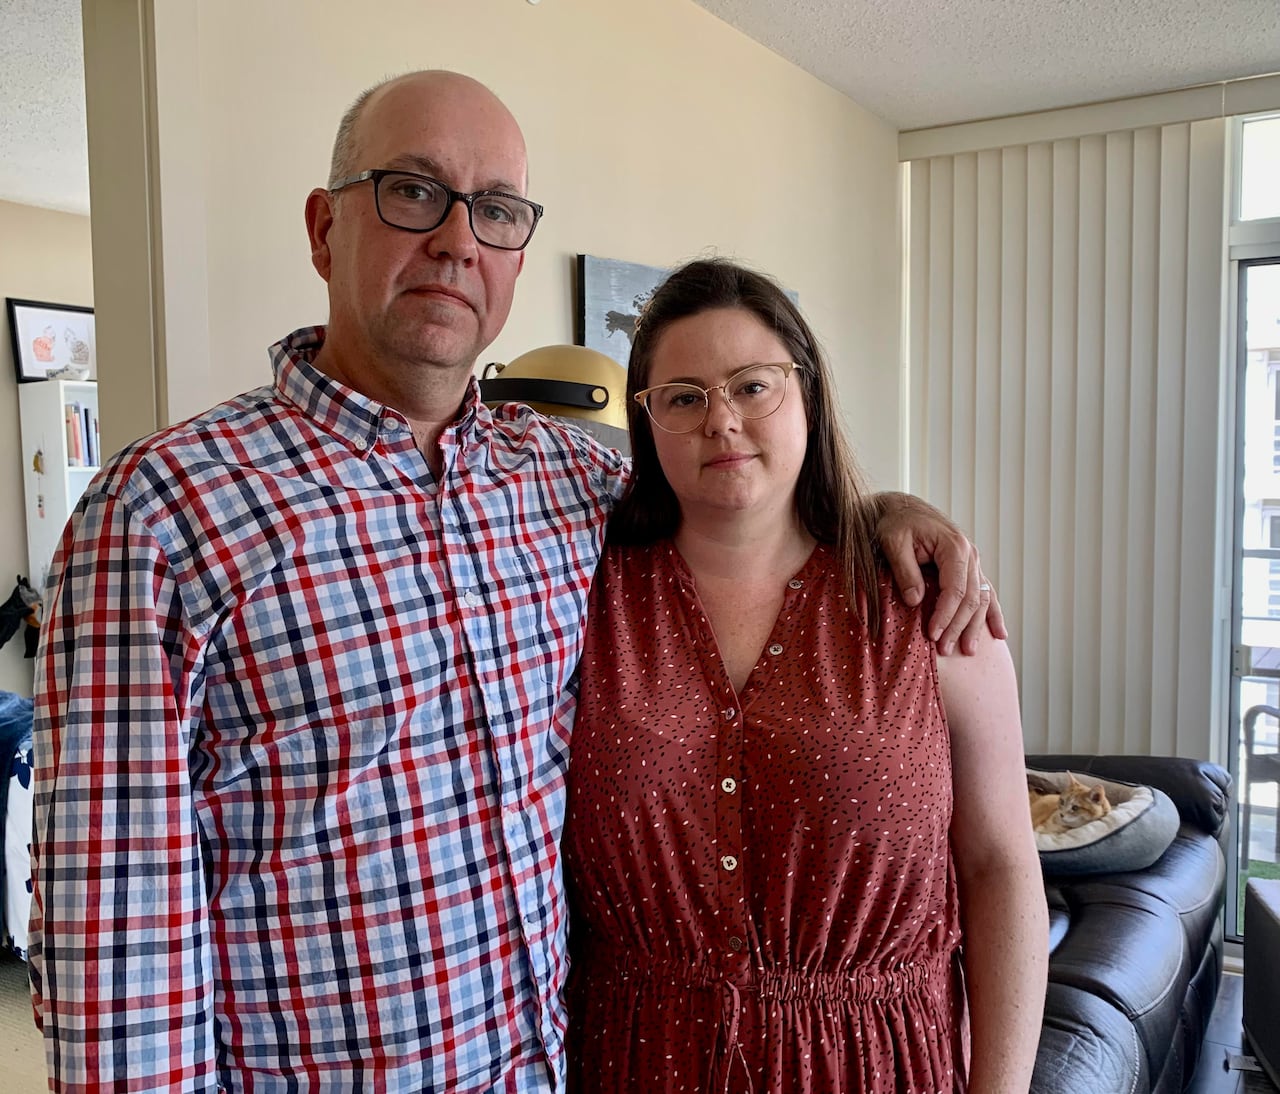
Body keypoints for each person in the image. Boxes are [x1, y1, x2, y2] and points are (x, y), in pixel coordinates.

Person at [28, 72, 999, 1094]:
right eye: (411, 191)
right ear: (323, 229)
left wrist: (883, 516)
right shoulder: (161, 512)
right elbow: (114, 951)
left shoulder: (570, 482)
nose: (455, 240)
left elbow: (739, 495)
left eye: (494, 211)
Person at [562, 258, 1047, 1093]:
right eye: (683, 397)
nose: (722, 421)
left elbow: (1000, 866)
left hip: (879, 1064)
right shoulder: (573, 594)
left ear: (808, 396)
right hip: (635, 1060)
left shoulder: (924, 603)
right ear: (646, 426)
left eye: (753, 386)